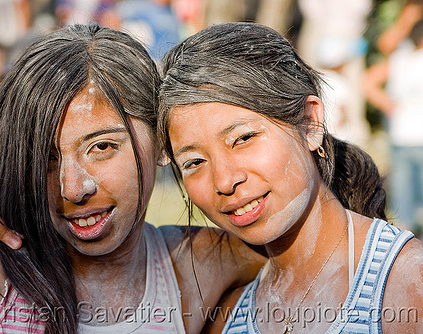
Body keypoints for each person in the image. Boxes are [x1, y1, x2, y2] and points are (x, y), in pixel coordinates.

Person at [0, 23, 266, 333]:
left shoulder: (201, 267)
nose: (74, 189)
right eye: (45, 158)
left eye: (102, 146)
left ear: (162, 142)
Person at [157, 22, 423, 332]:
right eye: (194, 162)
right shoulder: (228, 314)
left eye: (243, 138)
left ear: (310, 124)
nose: (224, 181)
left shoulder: (407, 286)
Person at [363, 19, 423, 237]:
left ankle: (408, 247)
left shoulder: (399, 60)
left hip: (401, 134)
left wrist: (388, 104)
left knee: (404, 197)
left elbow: (368, 82)